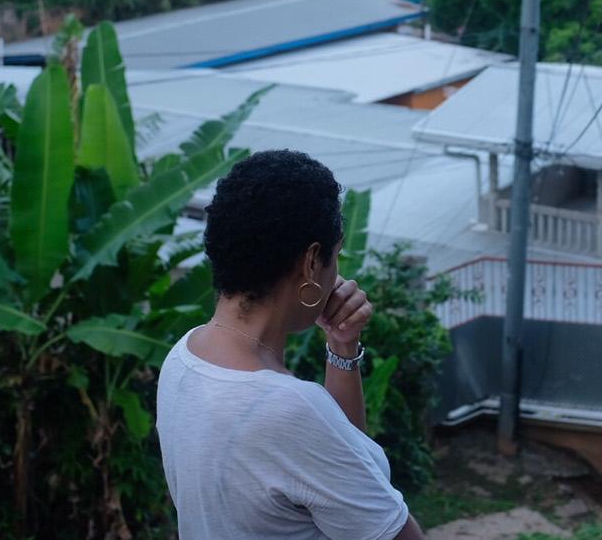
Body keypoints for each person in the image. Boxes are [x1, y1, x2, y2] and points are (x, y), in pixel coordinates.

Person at [156, 150, 425, 540]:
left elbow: (346, 459)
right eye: (337, 255)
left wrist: (341, 345)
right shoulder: (290, 408)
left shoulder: (183, 358)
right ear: (312, 261)